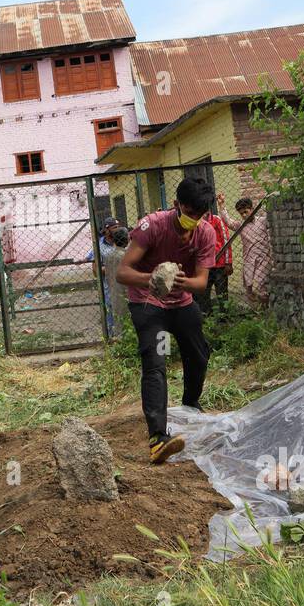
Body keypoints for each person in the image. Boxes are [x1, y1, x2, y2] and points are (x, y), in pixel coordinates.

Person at [116, 176, 217, 464]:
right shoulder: (153, 225)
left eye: (200, 215)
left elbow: (201, 283)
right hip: (149, 304)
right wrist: (155, 279)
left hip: (182, 303)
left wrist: (182, 283)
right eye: (189, 214)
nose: (194, 220)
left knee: (198, 355)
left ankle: (190, 405)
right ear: (176, 205)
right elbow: (123, 273)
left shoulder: (205, 233)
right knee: (156, 362)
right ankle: (158, 437)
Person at [233, 197, 274, 305]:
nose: (244, 215)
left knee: (258, 285)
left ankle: (266, 306)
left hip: (264, 259)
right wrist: (222, 206)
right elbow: (229, 222)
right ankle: (258, 310)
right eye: (241, 213)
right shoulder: (241, 225)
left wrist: (268, 202)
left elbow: (273, 220)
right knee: (249, 287)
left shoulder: (262, 221)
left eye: (246, 212)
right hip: (249, 260)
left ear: (252, 209)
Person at [200, 197, 233, 314]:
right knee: (204, 292)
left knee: (222, 291)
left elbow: (226, 240)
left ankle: (224, 316)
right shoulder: (196, 223)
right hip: (205, 266)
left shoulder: (217, 220)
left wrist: (228, 262)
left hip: (220, 263)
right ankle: (206, 315)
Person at [100, 223, 130, 339]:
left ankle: (120, 341)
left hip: (113, 290)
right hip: (125, 292)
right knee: (127, 319)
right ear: (126, 239)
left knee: (118, 320)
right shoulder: (125, 256)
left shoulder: (109, 255)